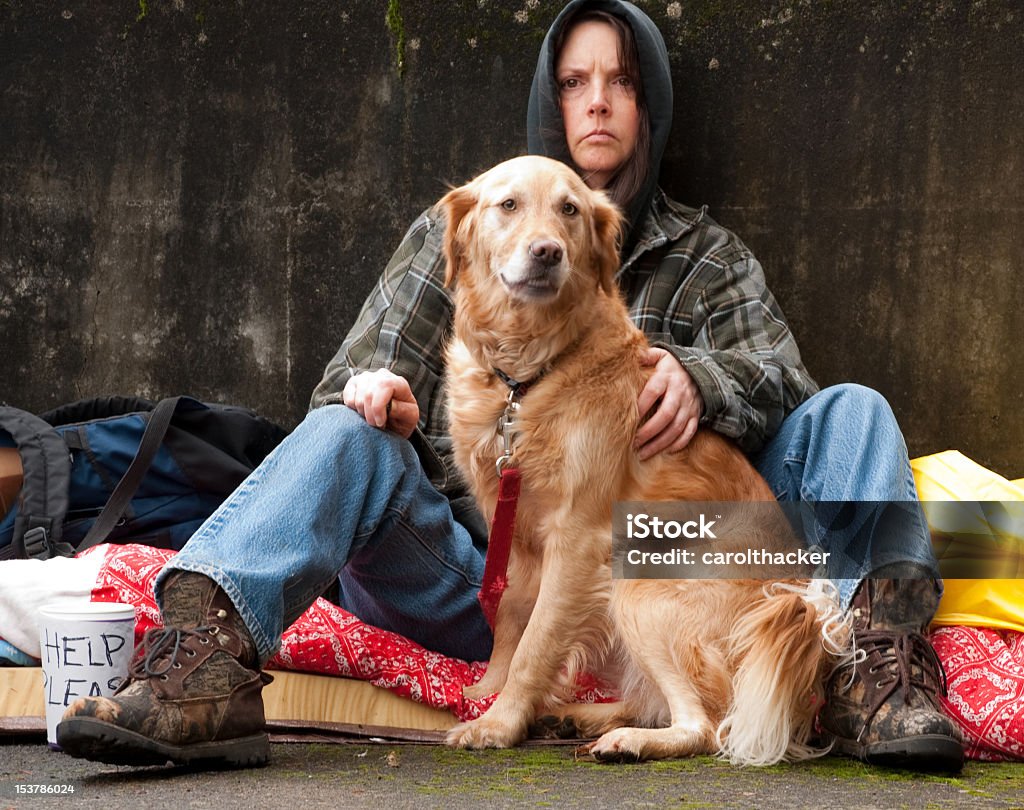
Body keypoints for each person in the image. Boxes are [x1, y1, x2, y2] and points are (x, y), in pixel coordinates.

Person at [57, 0, 962, 772]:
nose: (598, 101)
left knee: (853, 410)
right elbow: (343, 379)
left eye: (621, 82)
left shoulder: (707, 258)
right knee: (344, 431)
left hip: (663, 556)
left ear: (651, 106)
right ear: (551, 100)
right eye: (574, 82)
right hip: (470, 569)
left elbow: (786, 384)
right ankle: (205, 656)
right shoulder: (465, 223)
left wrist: (705, 379)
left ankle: (877, 661)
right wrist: (380, 399)